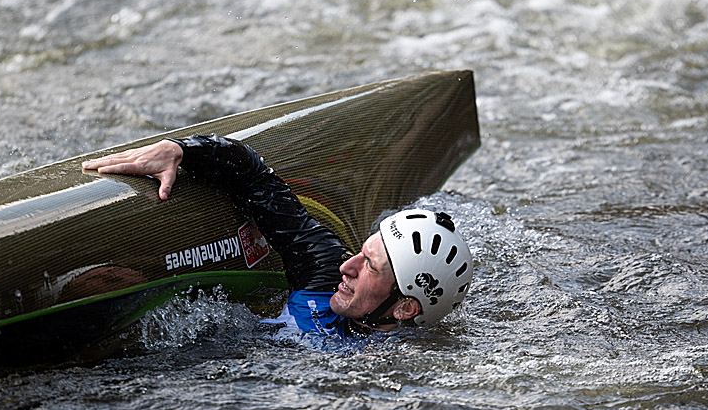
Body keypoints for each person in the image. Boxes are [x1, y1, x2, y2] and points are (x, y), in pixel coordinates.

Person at [83, 134, 472, 337]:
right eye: (361, 252)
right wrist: (180, 150)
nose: (347, 266)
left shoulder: (398, 378)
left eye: (369, 266)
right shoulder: (326, 274)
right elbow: (253, 176)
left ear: (405, 308)